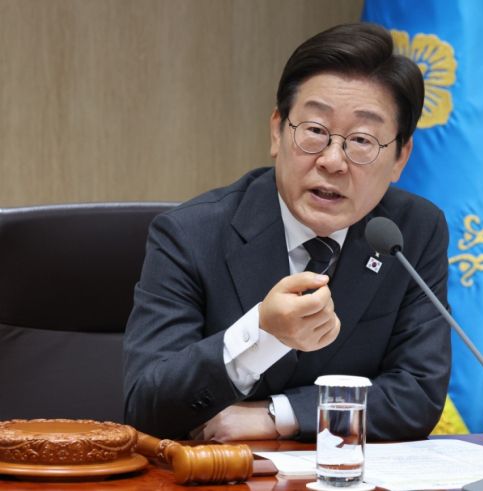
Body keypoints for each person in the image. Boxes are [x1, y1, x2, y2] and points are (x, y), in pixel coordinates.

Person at [123, 22, 451, 442]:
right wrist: (263, 333)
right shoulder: (190, 234)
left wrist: (279, 414)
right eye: (315, 131)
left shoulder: (412, 233)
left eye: (362, 140)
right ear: (277, 131)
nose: (333, 161)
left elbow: (418, 394)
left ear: (400, 157)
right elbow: (146, 405)